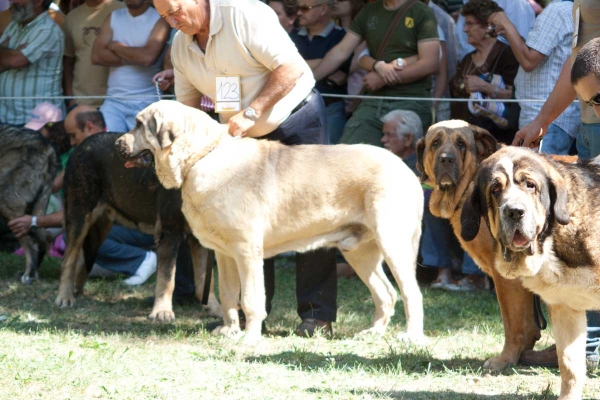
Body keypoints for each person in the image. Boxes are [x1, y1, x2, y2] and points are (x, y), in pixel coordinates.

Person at [153, 0, 337, 337]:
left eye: (176, 9)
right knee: (240, 222)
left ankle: (317, 317)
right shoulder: (181, 46)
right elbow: (188, 110)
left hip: (295, 117)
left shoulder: (244, 12)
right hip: (238, 133)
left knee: (314, 213)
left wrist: (251, 113)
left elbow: (290, 68)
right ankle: (245, 316)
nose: (173, 19)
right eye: (164, 16)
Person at [515, 3, 600, 365]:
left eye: (597, 102)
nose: (595, 107)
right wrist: (544, 119)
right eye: (591, 103)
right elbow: (580, 60)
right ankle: (586, 347)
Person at [8, 106, 158, 286]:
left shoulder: (117, 151)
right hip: (115, 223)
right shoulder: (86, 153)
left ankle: (141, 259)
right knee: (69, 238)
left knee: (81, 236)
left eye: (73, 135)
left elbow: (84, 212)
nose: (71, 142)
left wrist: (33, 221)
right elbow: (53, 186)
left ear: (89, 128)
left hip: (143, 226)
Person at [311, 0, 440, 147]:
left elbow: (430, 63)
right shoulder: (368, 11)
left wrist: (384, 79)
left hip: (410, 99)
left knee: (404, 162)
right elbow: (341, 51)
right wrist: (309, 80)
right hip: (373, 100)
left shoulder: (421, 12)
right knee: (346, 155)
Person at [381, 109, 464, 289]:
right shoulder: (385, 164)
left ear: (408, 139)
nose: (383, 140)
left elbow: (435, 195)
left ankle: (443, 272)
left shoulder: (427, 164)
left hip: (426, 239)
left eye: (389, 134)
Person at [488, 0, 580, 155]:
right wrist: (512, 34)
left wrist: (505, 23)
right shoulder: (573, 8)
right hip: (554, 118)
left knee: (538, 177)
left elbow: (529, 61)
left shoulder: (557, 10)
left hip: (544, 118)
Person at [91, 0, 170, 132]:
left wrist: (115, 46)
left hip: (147, 102)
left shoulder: (160, 19)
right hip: (113, 102)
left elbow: (147, 58)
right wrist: (135, 57)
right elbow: (96, 56)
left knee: (145, 151)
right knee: (105, 147)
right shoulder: (113, 17)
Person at [448, 0, 519, 145]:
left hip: (494, 138)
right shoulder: (467, 59)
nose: (465, 29)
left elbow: (515, 97)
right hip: (464, 137)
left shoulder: (507, 55)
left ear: (488, 27)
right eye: (465, 24)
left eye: (470, 24)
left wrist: (484, 86)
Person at [291, 0, 350, 144]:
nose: (298, 13)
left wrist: (298, 67)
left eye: (305, 8)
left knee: (331, 160)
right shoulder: (291, 35)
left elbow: (343, 69)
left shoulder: (342, 37)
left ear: (323, 9)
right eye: (298, 8)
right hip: (294, 110)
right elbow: (285, 66)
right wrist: (326, 61)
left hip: (330, 109)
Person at [0, 0, 65, 125]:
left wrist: (11, 54)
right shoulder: (13, 26)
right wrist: (12, 52)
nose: (13, 2)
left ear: (38, 1)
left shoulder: (47, 30)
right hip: (8, 117)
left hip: (37, 121)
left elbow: (17, 60)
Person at [63, 0, 124, 109]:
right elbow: (68, 61)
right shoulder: (72, 17)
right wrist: (70, 98)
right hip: (79, 101)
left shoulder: (122, 10)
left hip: (115, 101)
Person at [455, 0, 534, 60]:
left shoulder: (515, 4)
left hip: (504, 72)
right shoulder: (467, 2)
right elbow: (463, 45)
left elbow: (523, 50)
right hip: (470, 67)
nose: (465, 29)